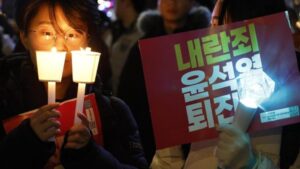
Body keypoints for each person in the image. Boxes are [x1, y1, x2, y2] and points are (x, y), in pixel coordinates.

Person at [0, 0, 148, 169]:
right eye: (47, 33)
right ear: (24, 37)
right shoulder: (5, 99)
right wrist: (26, 139)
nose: (61, 47)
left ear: (87, 40)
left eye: (72, 34)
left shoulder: (111, 110)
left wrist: (92, 154)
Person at [184, 0, 299, 169]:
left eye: (231, 27)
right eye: (213, 23)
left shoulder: (293, 81)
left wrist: (252, 164)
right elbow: (166, 161)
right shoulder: (191, 81)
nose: (215, 33)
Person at [116, 0, 211, 165]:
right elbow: (129, 94)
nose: (171, 3)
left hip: (198, 136)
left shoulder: (204, 41)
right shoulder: (142, 46)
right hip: (151, 136)